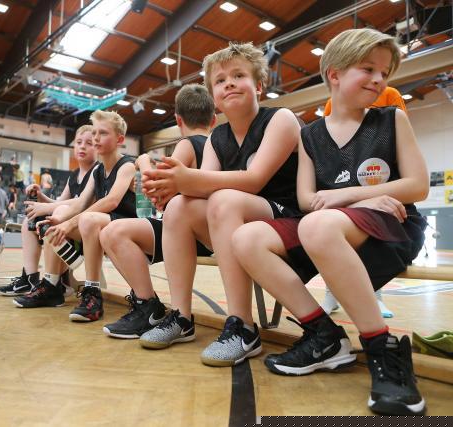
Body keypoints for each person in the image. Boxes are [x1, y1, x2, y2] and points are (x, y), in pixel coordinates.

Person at [232, 29, 428, 415]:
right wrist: (358, 196)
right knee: (246, 238)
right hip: (330, 226)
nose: (379, 79)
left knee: (317, 225)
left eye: (384, 72)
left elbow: (418, 185)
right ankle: (324, 336)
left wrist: (346, 195)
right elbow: (307, 199)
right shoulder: (309, 135)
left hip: (392, 225)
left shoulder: (391, 119)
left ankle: (382, 349)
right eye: (368, 68)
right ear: (334, 74)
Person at [139, 42, 300, 359]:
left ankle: (243, 326)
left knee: (225, 200)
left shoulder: (280, 118)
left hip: (288, 219)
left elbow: (254, 180)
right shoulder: (217, 137)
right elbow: (203, 188)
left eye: (239, 76)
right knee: (179, 207)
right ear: (213, 97)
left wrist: (186, 179)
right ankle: (181, 317)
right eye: (220, 80)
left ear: (259, 85)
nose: (229, 83)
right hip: (238, 220)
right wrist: (168, 188)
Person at [99, 84, 216, 339]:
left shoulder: (188, 144)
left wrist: (142, 163)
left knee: (113, 233)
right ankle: (148, 307)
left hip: (189, 233)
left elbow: (156, 197)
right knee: (113, 231)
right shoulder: (217, 144)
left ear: (178, 120)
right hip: (210, 231)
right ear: (213, 119)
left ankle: (148, 307)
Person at [20, 110, 136, 322]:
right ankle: (52, 284)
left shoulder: (127, 165)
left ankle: (93, 292)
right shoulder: (98, 170)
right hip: (99, 225)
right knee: (53, 223)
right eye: (95, 132)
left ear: (120, 140)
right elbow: (81, 202)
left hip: (124, 225)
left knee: (87, 219)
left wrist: (70, 222)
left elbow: (111, 202)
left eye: (103, 133)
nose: (96, 138)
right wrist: (57, 221)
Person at [321, 86, 408, 318]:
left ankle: (375, 297)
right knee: (331, 239)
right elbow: (329, 145)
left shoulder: (389, 95)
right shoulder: (332, 104)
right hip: (346, 177)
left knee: (373, 241)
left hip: (378, 174)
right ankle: (330, 295)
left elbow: (398, 138)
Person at [0, 125, 97, 297]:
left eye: (89, 143)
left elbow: (82, 203)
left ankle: (56, 282)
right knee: (29, 221)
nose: (82, 146)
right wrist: (41, 196)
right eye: (79, 142)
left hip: (83, 231)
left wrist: (47, 207)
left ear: (98, 147)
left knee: (58, 213)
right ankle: (30, 279)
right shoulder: (73, 175)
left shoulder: (97, 171)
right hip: (66, 226)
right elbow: (59, 203)